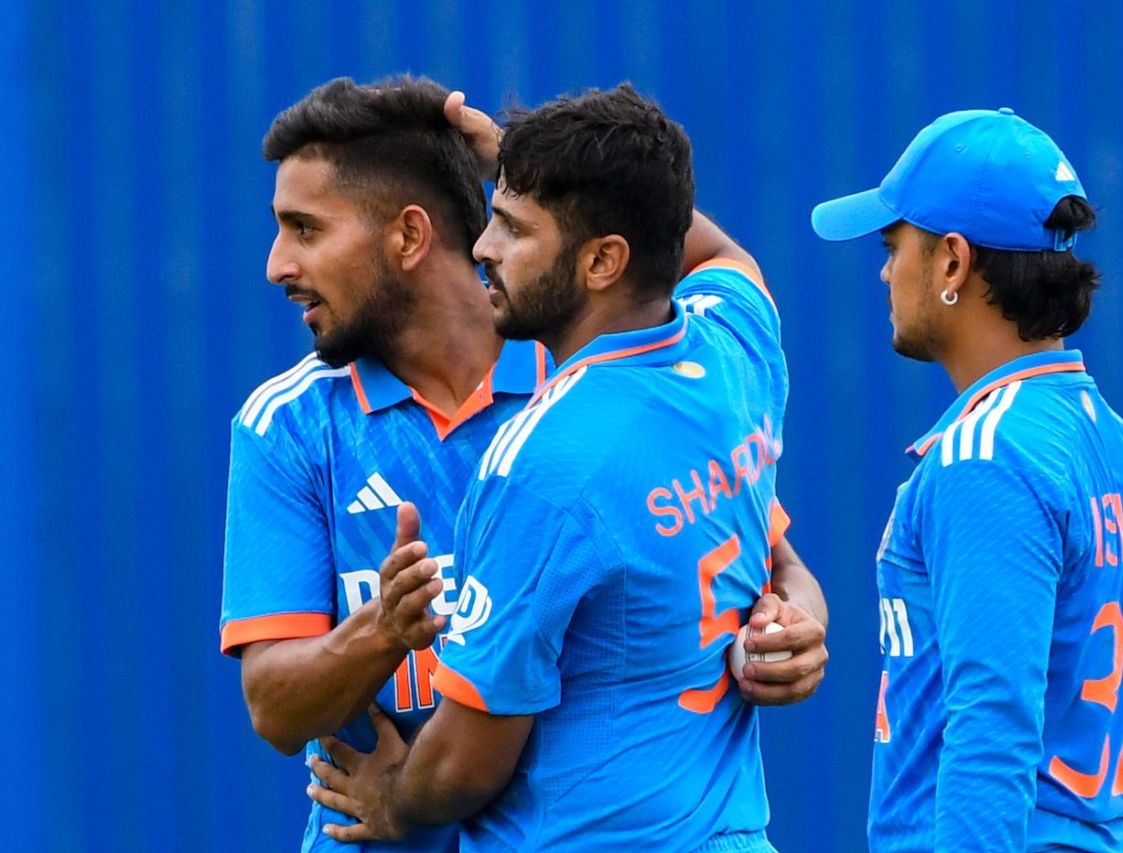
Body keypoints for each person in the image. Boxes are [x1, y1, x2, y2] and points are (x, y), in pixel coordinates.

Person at [221, 77, 827, 852]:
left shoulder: (584, 390)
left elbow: (763, 554)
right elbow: (274, 706)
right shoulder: (288, 426)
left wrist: (797, 620)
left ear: (408, 237)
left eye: (305, 229)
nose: (277, 264)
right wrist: (382, 629)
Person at [810, 108, 1123, 852]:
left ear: (952, 261)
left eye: (892, 245)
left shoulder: (985, 456)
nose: (884, 270)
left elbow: (991, 730)